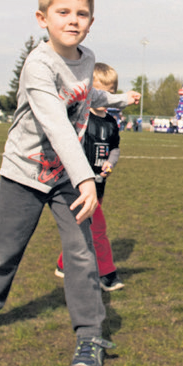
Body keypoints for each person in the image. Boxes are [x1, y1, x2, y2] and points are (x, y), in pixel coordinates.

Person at [0, 0, 140, 366]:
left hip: (65, 176)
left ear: (91, 22)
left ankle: (90, 335)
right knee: (4, 249)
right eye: (63, 12)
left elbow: (87, 96)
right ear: (43, 18)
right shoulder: (38, 64)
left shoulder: (87, 57)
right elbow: (57, 124)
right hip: (24, 173)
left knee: (81, 254)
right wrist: (87, 180)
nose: (73, 20)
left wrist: (115, 99)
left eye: (82, 14)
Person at [54, 62, 125, 291]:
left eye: (111, 92)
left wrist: (110, 164)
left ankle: (63, 264)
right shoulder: (80, 118)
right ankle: (107, 274)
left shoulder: (112, 123)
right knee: (99, 230)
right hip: (80, 185)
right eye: (102, 91)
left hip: (100, 185)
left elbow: (114, 148)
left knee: (83, 227)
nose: (107, 96)